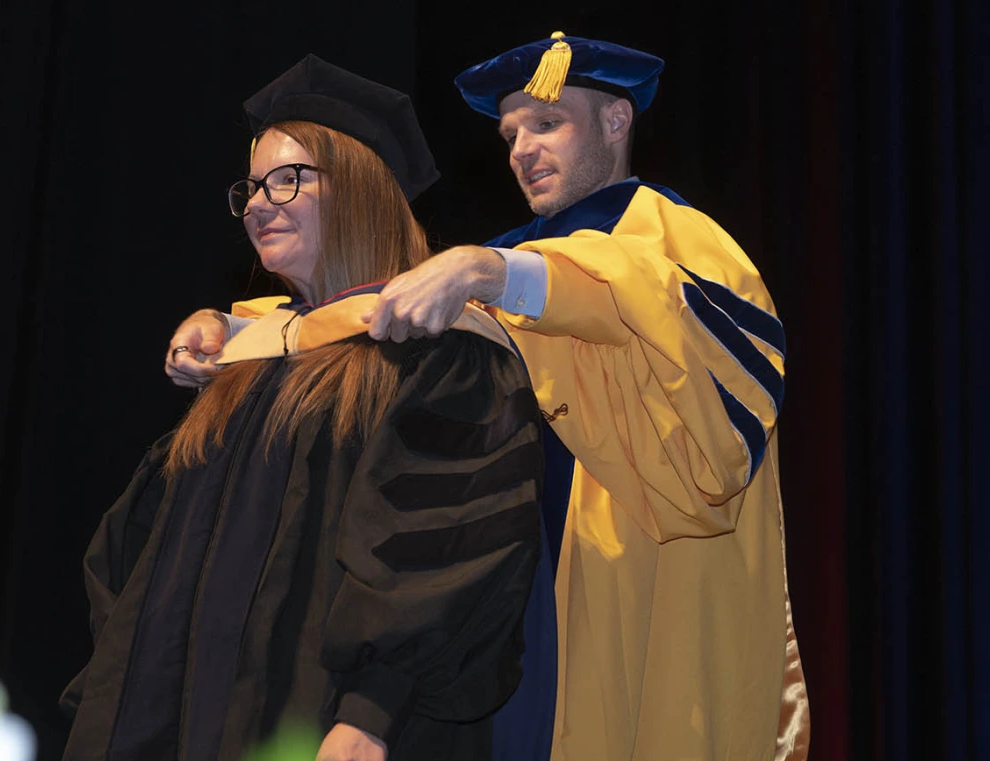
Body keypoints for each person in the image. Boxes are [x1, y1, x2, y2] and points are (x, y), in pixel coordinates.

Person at [164, 34, 811, 761]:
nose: (521, 148)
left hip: (641, 585)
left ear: (616, 121)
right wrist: (232, 322)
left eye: (546, 123)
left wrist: (492, 270)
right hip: (523, 604)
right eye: (509, 134)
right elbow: (366, 307)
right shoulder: (505, 259)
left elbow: (652, 313)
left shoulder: (675, 238)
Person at [61, 55, 546, 761]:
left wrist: (370, 710)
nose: (258, 203)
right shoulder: (250, 365)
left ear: (359, 189)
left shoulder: (441, 357)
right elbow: (132, 552)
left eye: (287, 179)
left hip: (334, 731)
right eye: (253, 186)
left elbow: (447, 545)